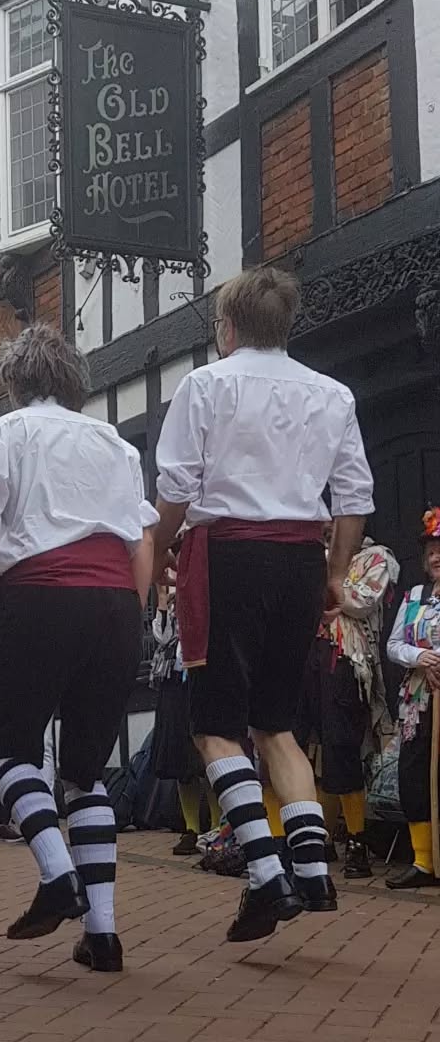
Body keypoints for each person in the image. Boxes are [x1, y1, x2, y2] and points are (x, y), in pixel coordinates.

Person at [152, 267, 374, 942]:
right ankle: (312, 864)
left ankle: (266, 870)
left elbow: (176, 486)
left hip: (230, 554)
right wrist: (333, 573)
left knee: (215, 723)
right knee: (276, 721)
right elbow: (354, 498)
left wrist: (163, 550)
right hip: (301, 558)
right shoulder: (332, 394)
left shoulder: (207, 385)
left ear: (227, 327)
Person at [0, 324, 157, 974]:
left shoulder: (6, 435)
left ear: (15, 382)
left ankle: (57, 873)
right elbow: (141, 543)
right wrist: (132, 614)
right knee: (85, 773)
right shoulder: (116, 443)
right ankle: (103, 933)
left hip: (38, 596)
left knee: (7, 749)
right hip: (115, 602)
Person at [293, 533, 398, 879]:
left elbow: (362, 600)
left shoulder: (376, 557)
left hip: (347, 660)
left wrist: (325, 590)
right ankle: (320, 837)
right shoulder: (314, 555)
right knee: (310, 748)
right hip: (308, 656)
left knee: (342, 748)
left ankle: (357, 841)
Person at [385, 509, 440, 888]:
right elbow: (392, 645)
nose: (436, 556)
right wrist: (418, 657)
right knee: (414, 773)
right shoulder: (414, 596)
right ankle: (423, 861)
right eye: (431, 550)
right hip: (420, 700)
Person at [150, 571, 220, 854]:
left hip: (202, 677)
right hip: (173, 683)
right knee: (180, 761)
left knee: (208, 759)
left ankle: (217, 825)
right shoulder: (173, 602)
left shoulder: (207, 593)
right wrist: (164, 602)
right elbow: (162, 636)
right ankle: (191, 829)